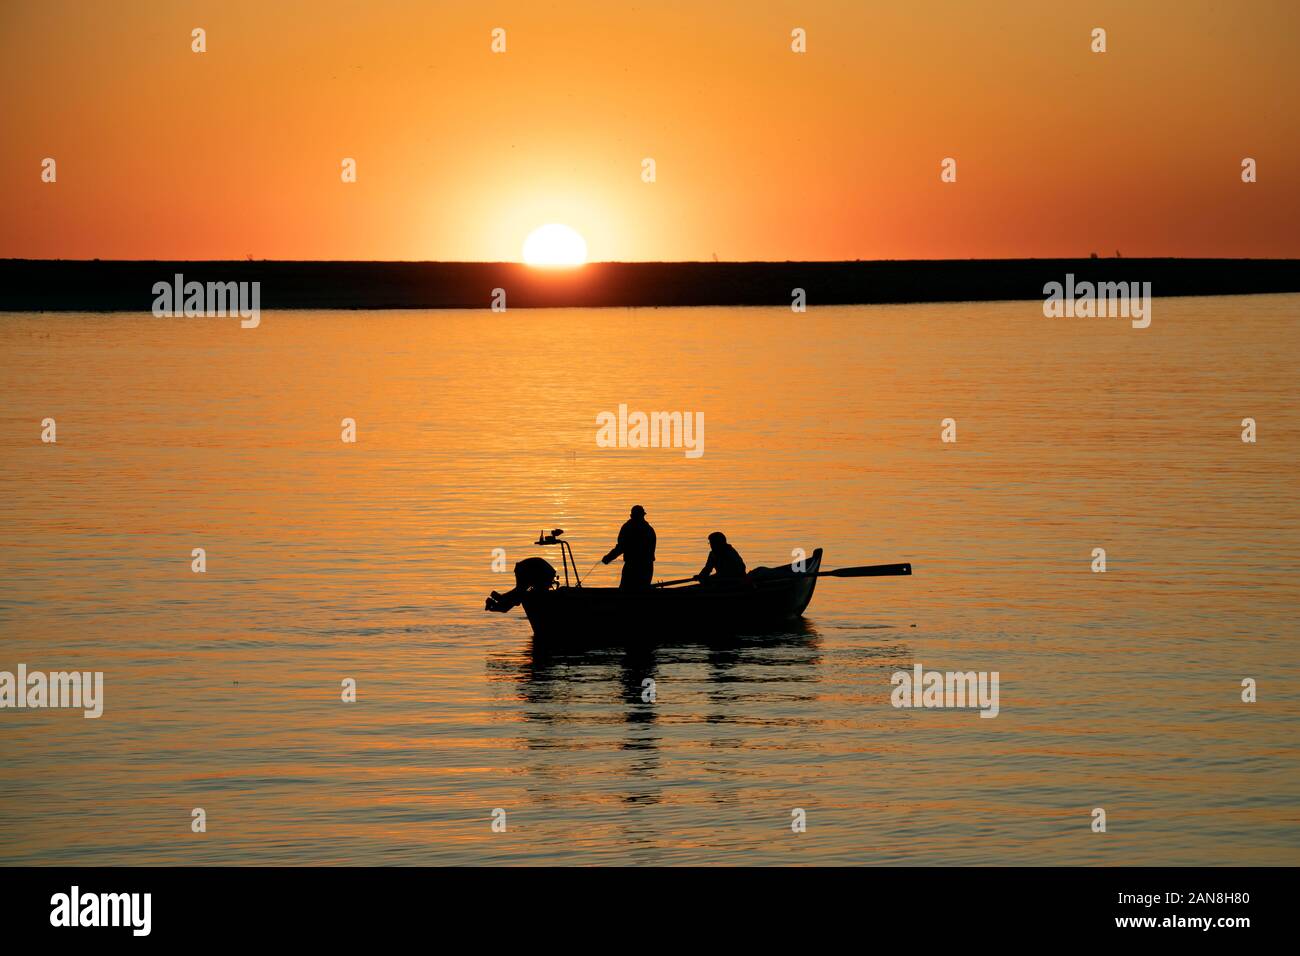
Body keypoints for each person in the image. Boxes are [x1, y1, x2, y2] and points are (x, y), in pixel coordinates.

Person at [602, 505, 656, 589]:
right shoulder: (649, 529)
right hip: (647, 567)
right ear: (643, 515)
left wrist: (608, 558)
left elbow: (621, 547)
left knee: (625, 589)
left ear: (631, 515)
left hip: (632, 566)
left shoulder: (628, 528)